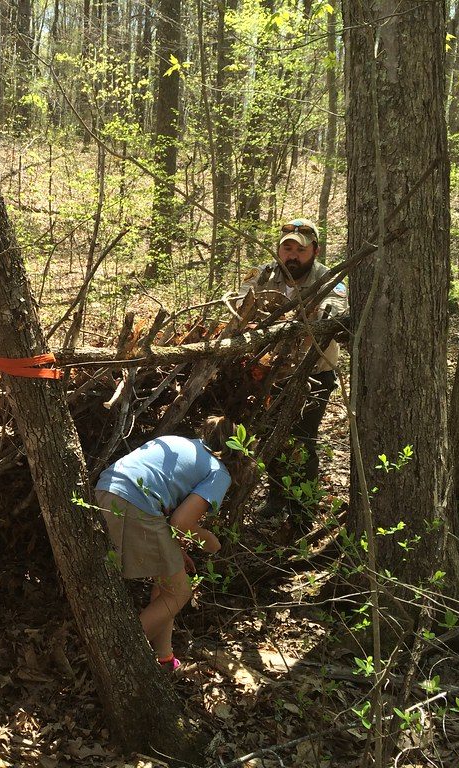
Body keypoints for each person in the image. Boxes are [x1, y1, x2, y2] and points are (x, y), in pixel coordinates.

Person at [94, 417, 244, 670]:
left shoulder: (178, 442)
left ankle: (164, 657)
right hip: (136, 504)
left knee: (166, 587)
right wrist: (211, 542)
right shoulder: (219, 472)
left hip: (105, 491)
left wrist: (175, 549)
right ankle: (117, 659)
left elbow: (168, 511)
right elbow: (181, 521)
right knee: (179, 592)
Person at [238, 218, 347, 523]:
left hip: (314, 371)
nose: (292, 256)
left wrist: (294, 323)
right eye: (287, 249)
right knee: (270, 434)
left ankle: (303, 508)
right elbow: (239, 305)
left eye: (300, 249)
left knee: (303, 438)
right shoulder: (264, 274)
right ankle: (276, 497)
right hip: (269, 370)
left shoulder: (328, 278)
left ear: (315, 250)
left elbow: (334, 315)